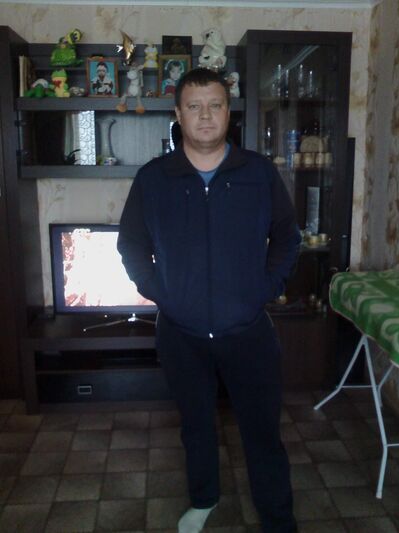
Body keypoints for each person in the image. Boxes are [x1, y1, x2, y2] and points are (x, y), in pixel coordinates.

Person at [118, 68, 300, 533]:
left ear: (228, 112)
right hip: (182, 334)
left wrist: (266, 287)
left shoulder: (258, 172)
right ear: (178, 115)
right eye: (194, 106)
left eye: (215, 105)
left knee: (263, 433)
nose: (205, 115)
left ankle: (278, 519)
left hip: (249, 332)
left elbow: (286, 237)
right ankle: (204, 499)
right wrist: (162, 293)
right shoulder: (154, 178)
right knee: (196, 426)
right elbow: (132, 246)